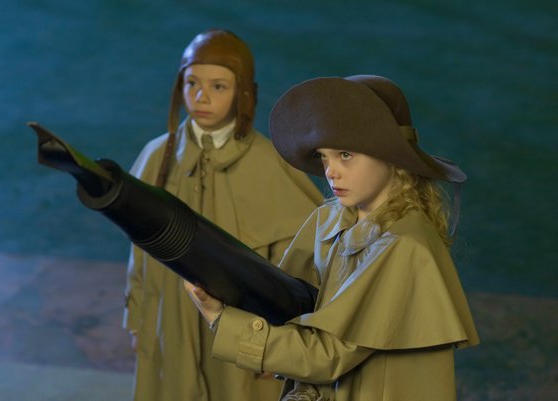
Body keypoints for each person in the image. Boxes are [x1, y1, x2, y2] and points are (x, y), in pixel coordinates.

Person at [186, 75, 480, 401]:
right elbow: (287, 301)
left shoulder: (406, 247)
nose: (330, 171)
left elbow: (327, 355)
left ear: (391, 157)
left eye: (345, 155)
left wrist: (221, 319)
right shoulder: (328, 220)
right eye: (324, 156)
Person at [123, 29, 322, 401]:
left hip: (246, 334)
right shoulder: (156, 157)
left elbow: (300, 266)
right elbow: (139, 250)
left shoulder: (270, 165)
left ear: (242, 93)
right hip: (171, 324)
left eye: (218, 86)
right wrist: (137, 319)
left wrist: (286, 342)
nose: (201, 97)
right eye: (192, 83)